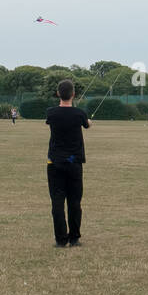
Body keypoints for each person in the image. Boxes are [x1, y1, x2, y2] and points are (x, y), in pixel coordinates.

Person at [46, 80, 91, 248]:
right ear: (73, 94)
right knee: (74, 201)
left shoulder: (51, 113)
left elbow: (52, 120)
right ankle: (74, 238)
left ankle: (60, 239)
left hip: (54, 162)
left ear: (58, 93)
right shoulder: (80, 114)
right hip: (74, 163)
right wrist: (88, 122)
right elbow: (86, 125)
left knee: (57, 202)